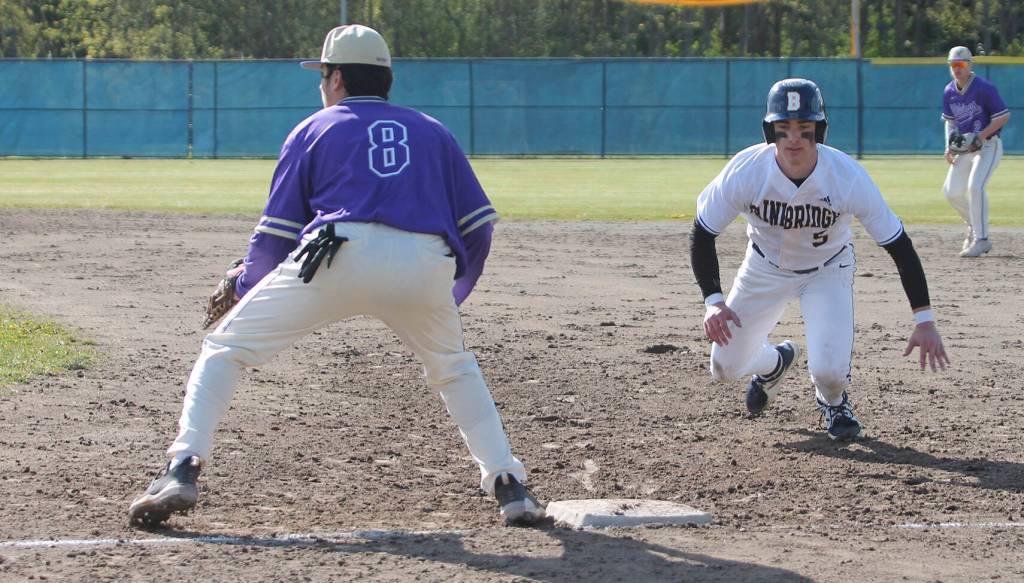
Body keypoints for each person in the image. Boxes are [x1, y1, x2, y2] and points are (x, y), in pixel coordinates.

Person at [128, 24, 545, 528]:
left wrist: (242, 286)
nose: (321, 85)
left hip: (335, 255)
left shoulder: (314, 129)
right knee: (454, 369)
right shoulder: (433, 130)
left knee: (224, 348)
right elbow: (478, 229)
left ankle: (182, 467)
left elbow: (274, 238)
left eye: (323, 75)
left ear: (337, 78)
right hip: (425, 262)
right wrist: (451, 290)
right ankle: (508, 484)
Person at [689, 78, 950, 441]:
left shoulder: (846, 177)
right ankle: (773, 363)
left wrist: (924, 319)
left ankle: (834, 402)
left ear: (819, 132)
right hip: (763, 268)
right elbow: (703, 231)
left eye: (804, 128)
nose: (794, 138)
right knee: (723, 367)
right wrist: (713, 301)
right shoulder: (746, 171)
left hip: (827, 270)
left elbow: (898, 245)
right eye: (784, 128)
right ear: (770, 132)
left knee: (829, 373)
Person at [942, 45, 1011, 258]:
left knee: (975, 186)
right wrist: (949, 146)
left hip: (988, 145)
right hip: (965, 148)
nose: (957, 68)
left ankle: (982, 239)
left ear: (969, 65)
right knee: (951, 191)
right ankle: (973, 225)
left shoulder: (984, 88)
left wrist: (980, 136)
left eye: (961, 64)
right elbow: (950, 122)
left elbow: (1003, 116)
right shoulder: (949, 91)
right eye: (953, 65)